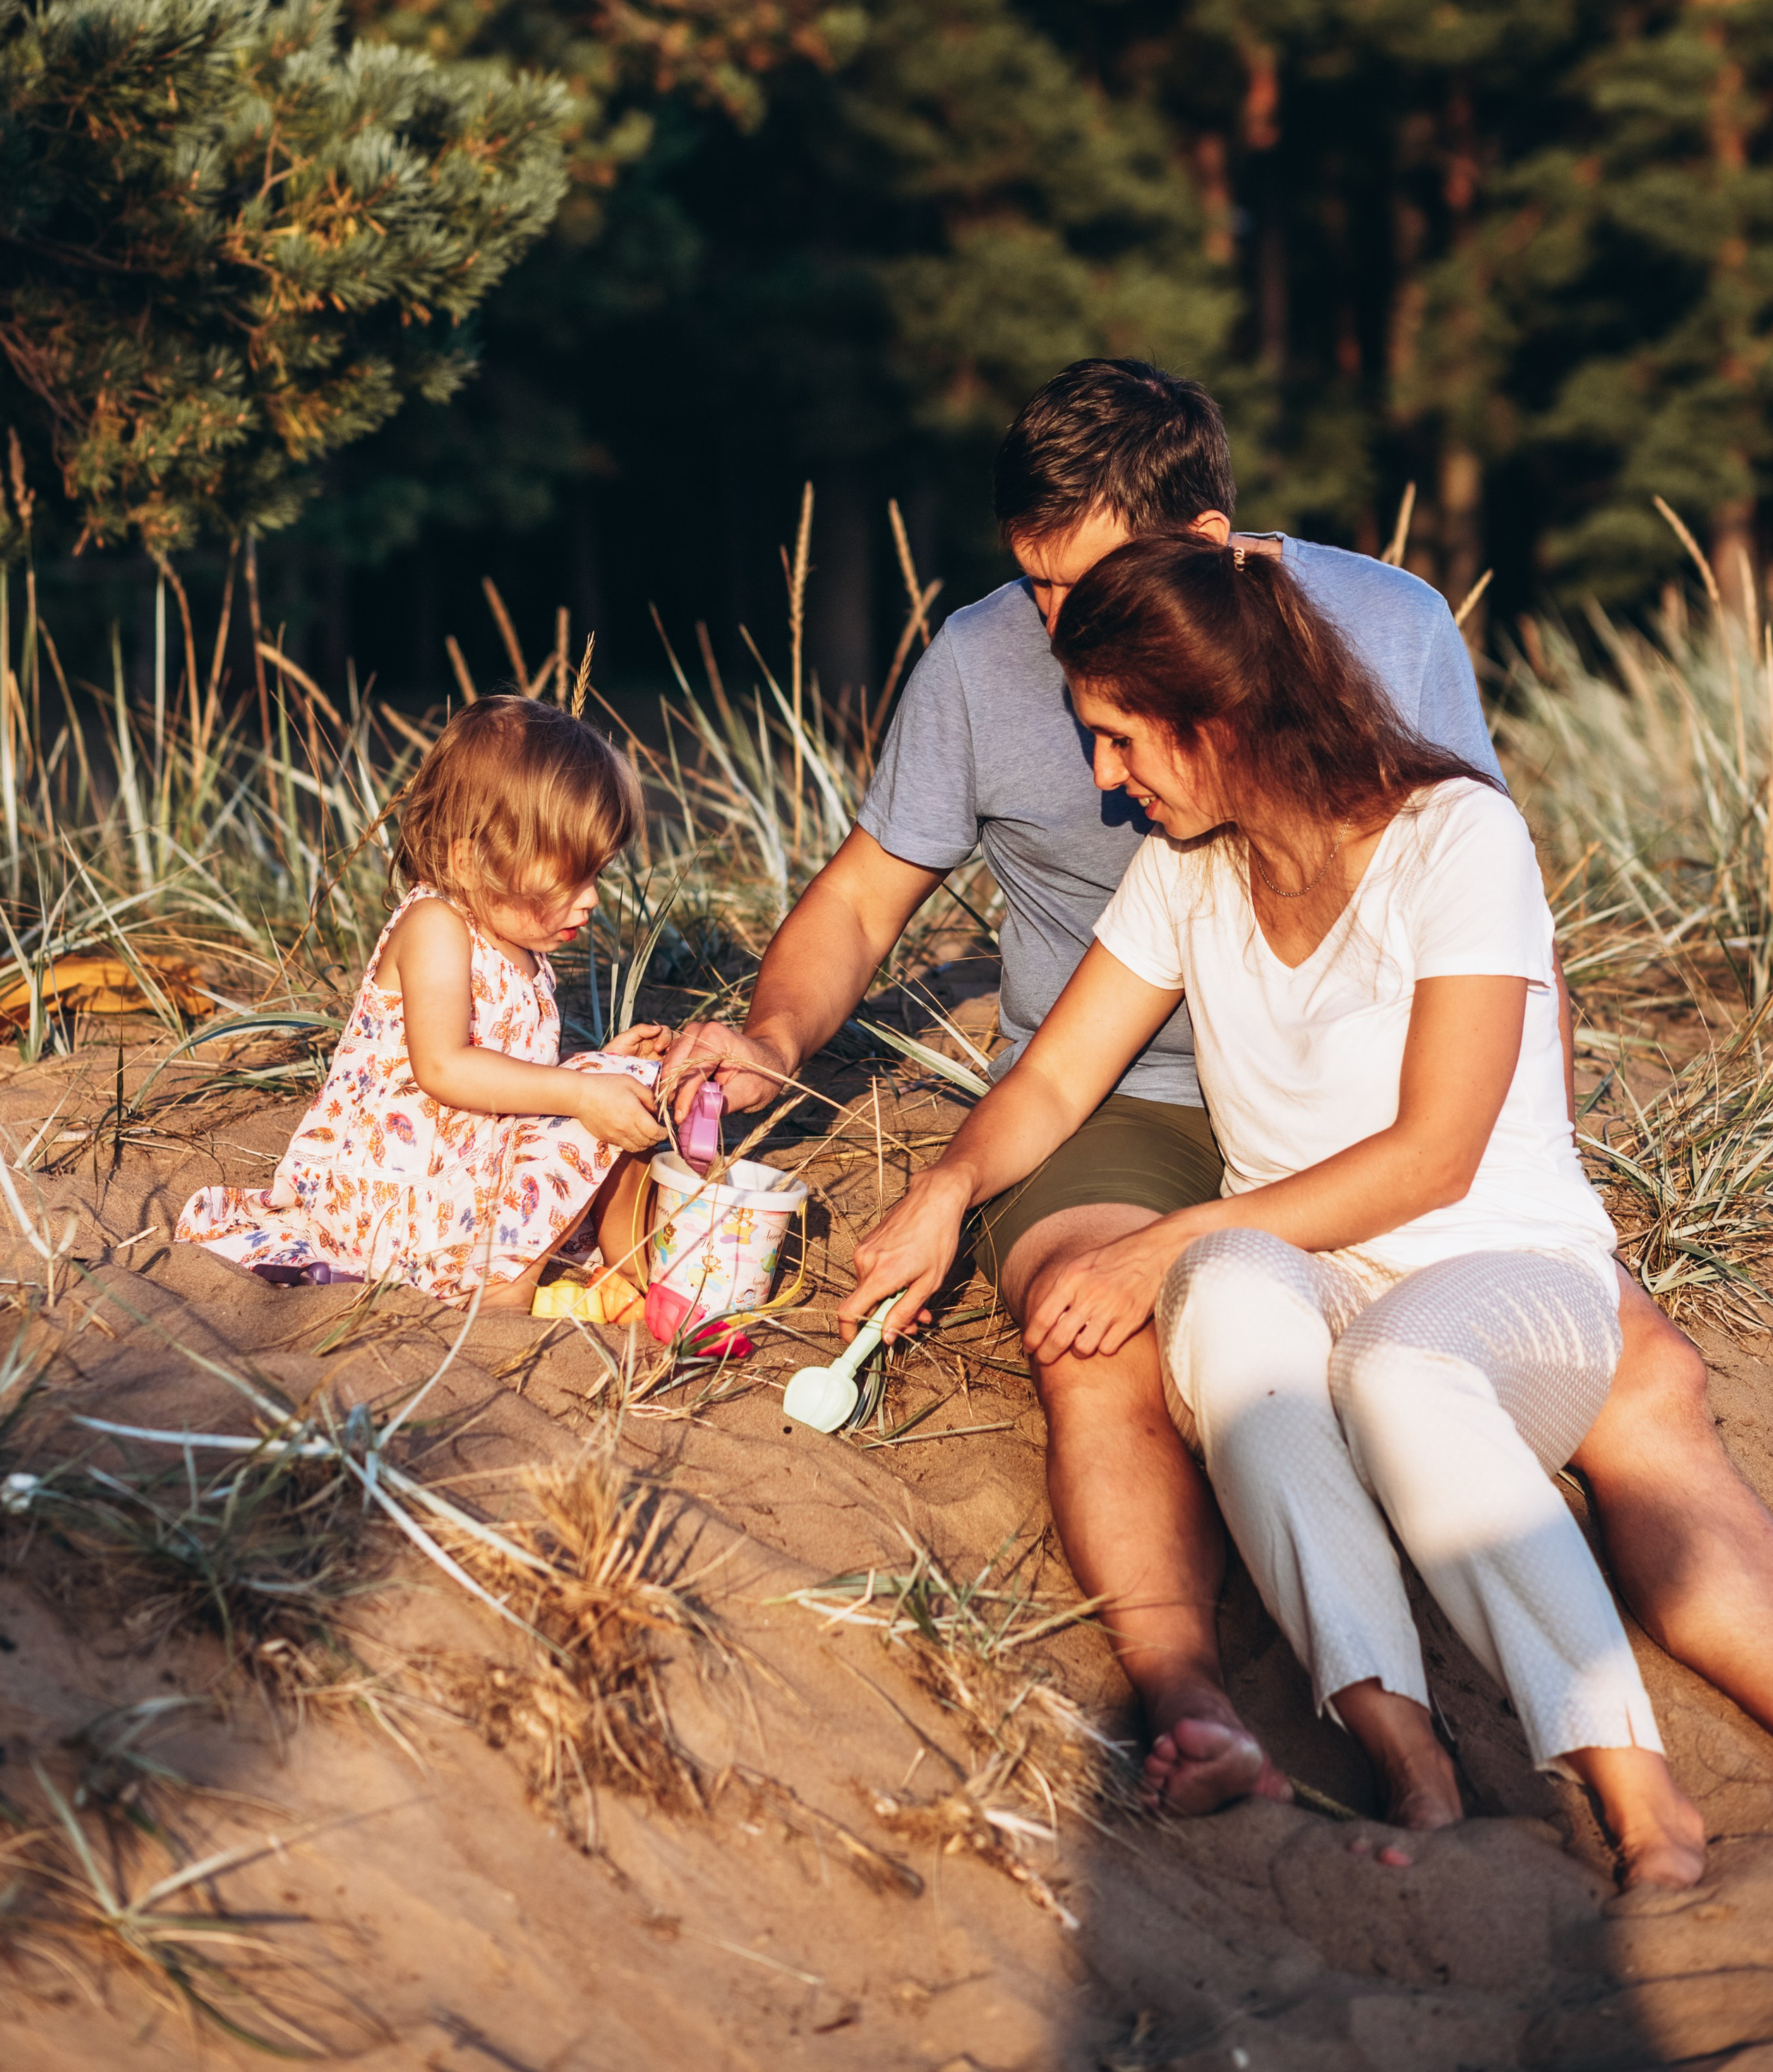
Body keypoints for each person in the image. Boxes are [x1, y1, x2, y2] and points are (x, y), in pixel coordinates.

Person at [665, 359, 1773, 1812]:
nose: (1056, 629)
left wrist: (1538, 1180)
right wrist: (779, 1044)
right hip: (1116, 1102)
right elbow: (869, 900)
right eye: (1033, 585)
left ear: (1203, 545)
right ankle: (1192, 1697)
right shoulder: (984, 666)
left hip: (1366, 1104)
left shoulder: (1385, 623)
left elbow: (1486, 921)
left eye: (1086, 585)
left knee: (1644, 1386)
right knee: (1098, 1335)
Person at [860, 531, 1704, 1885]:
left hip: (1507, 1271)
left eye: (1123, 742)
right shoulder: (1190, 865)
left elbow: (1435, 1155)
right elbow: (1063, 1071)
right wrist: (949, 1191)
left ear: (1219, 724)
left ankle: (1637, 1784)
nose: (1105, 780)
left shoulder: (1454, 835)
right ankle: (1408, 1763)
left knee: (1398, 1365)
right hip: (1317, 1269)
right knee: (1238, 1301)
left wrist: (1167, 1237)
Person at [177, 695, 667, 1305]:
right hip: (401, 1191)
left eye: (597, 874)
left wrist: (596, 1068)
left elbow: (508, 1070)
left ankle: (640, 1272)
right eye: (567, 878)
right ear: (470, 860)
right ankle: (501, 1298)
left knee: (627, 1087)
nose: (591, 899)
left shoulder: (519, 943)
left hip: (467, 1177)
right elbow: (444, 1067)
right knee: (593, 1097)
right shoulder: (437, 926)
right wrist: (578, 1087)